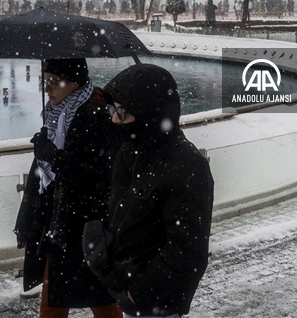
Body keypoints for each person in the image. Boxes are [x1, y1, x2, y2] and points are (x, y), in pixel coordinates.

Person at [83, 64, 214, 318]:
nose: (114, 119)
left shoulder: (186, 165)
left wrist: (139, 291)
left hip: (157, 305)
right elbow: (121, 212)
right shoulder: (132, 150)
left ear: (148, 113)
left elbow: (187, 251)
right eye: (112, 110)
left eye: (122, 112)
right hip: (132, 294)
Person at [14, 58, 123, 318]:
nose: (47, 88)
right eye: (45, 81)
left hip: (86, 226)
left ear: (75, 83)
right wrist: (45, 152)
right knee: (65, 297)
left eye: (54, 82)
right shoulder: (56, 115)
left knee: (98, 297)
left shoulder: (96, 116)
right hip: (61, 223)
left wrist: (54, 157)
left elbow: (101, 178)